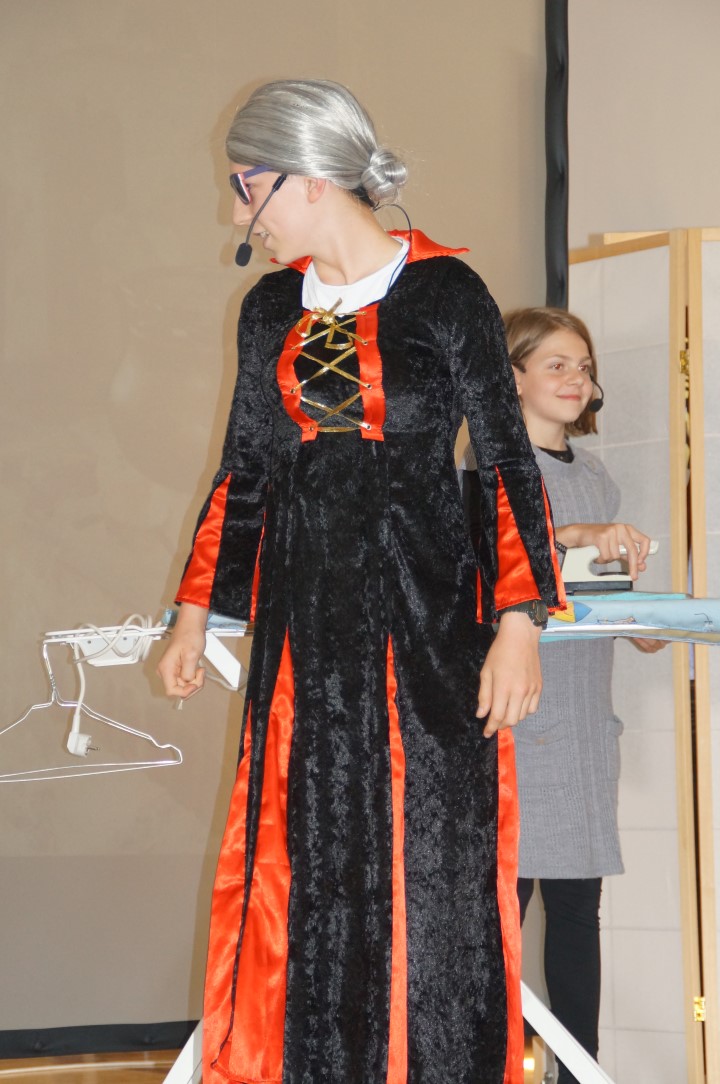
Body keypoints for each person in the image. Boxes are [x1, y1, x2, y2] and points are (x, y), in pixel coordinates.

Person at [157, 80, 564, 1084]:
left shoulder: (446, 294)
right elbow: (245, 470)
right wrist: (193, 611)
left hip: (429, 635)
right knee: (309, 872)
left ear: (303, 178)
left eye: (244, 187)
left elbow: (505, 461)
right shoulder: (269, 309)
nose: (238, 213)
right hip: (307, 644)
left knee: (432, 873)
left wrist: (520, 620)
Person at [501, 306, 663, 1084]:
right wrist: (573, 538)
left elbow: (593, 597)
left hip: (585, 727)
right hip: (516, 724)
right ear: (512, 377)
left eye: (584, 366)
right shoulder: (489, 469)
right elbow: (488, 570)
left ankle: (578, 1073)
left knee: (576, 915)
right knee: (497, 918)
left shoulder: (596, 476)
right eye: (556, 364)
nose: (576, 379)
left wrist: (642, 624)